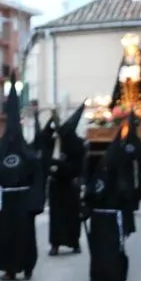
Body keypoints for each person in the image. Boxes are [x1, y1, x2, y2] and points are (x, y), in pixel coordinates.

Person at [0, 77, 45, 281]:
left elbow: (37, 178)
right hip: (4, 204)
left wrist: (35, 202)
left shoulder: (28, 156)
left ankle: (26, 265)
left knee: (23, 237)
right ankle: (8, 267)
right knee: (5, 237)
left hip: (22, 203)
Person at [82, 119, 136, 281]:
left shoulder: (103, 171)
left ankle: (103, 276)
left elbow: (92, 192)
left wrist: (87, 206)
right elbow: (126, 197)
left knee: (103, 248)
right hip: (109, 216)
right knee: (108, 248)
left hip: (104, 217)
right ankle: (111, 277)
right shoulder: (117, 175)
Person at [39, 105, 86, 256]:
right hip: (56, 185)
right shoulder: (54, 141)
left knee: (72, 215)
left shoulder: (77, 144)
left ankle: (74, 242)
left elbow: (76, 166)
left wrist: (59, 165)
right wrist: (52, 121)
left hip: (70, 184)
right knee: (56, 217)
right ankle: (55, 243)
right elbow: (43, 138)